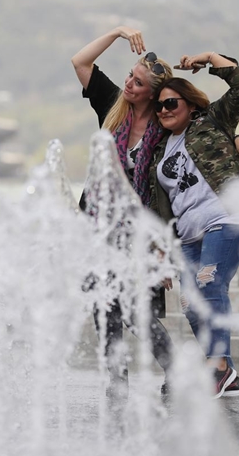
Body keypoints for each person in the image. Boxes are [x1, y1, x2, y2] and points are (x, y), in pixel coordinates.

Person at [72, 26, 177, 399]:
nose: (129, 84)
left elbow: (167, 190)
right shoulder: (112, 105)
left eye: (138, 82)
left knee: (135, 311)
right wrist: (117, 32)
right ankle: (115, 384)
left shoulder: (166, 127)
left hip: (140, 234)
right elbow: (80, 61)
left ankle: (176, 368)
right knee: (104, 307)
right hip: (97, 229)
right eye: (130, 76)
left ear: (153, 93)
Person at [149, 51, 239, 398]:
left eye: (171, 103)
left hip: (226, 217)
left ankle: (218, 368)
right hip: (188, 235)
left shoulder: (211, 120)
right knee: (191, 303)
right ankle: (228, 374)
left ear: (190, 104)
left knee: (209, 284)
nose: (164, 110)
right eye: (159, 106)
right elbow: (162, 208)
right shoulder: (159, 151)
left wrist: (211, 57)